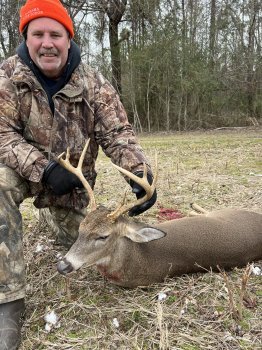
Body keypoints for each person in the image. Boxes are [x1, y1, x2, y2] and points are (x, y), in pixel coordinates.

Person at [0, 0, 157, 348]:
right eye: (37, 34)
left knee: (95, 237)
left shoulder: (93, 82)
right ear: (25, 38)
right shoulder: (7, 77)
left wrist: (137, 169)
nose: (47, 42)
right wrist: (43, 168)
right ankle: (8, 302)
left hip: (74, 189)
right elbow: (1, 133)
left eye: (55, 34)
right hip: (23, 175)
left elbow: (117, 134)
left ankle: (56, 223)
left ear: (68, 39)